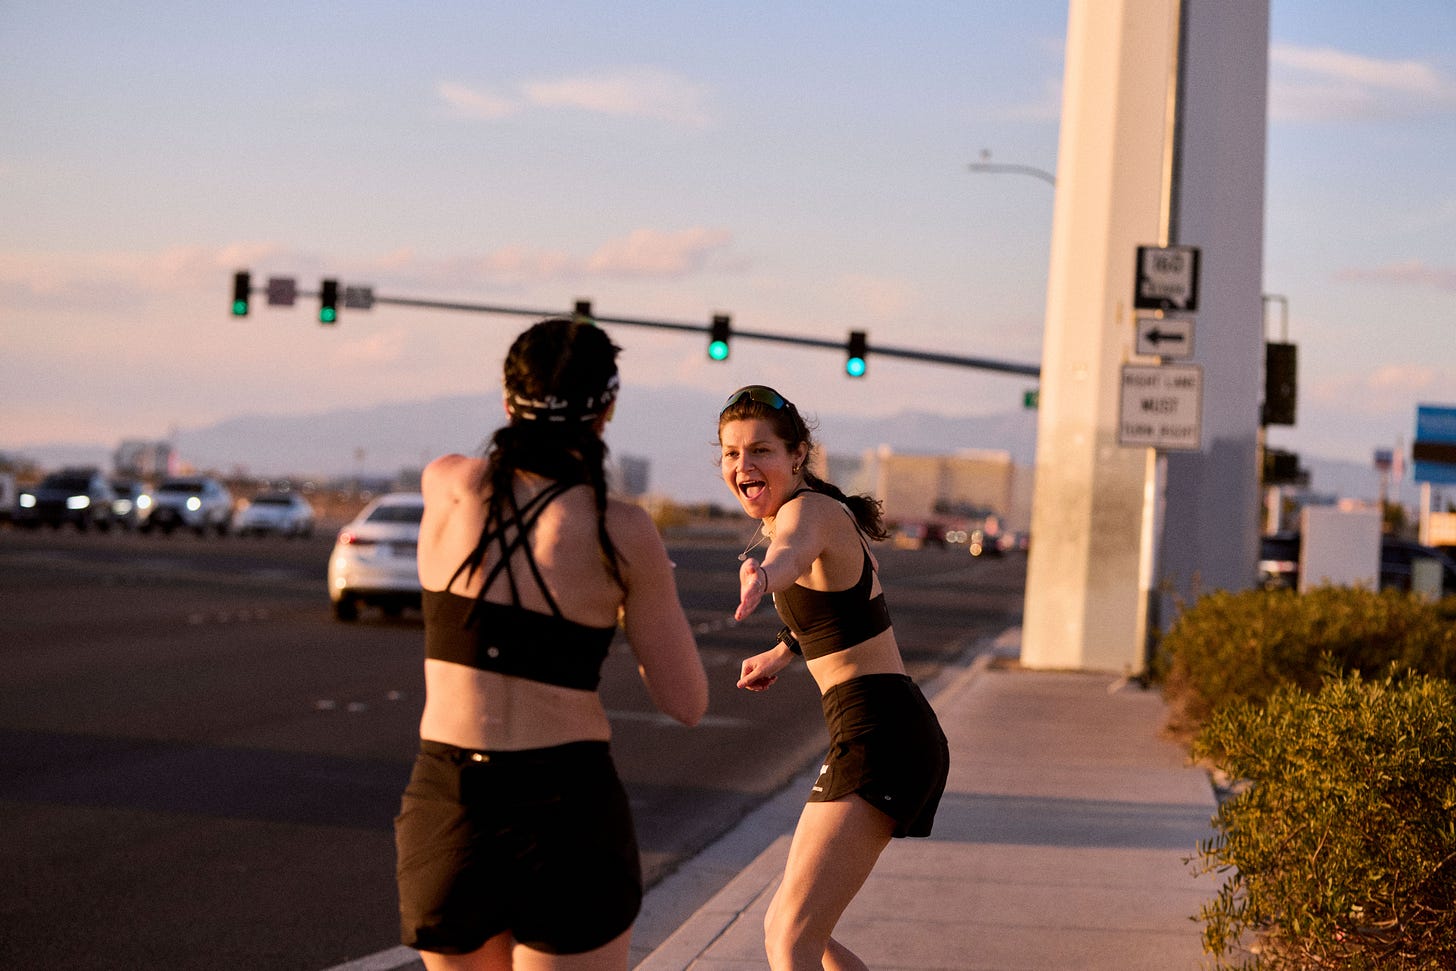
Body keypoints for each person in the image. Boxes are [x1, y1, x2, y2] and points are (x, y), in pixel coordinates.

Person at [395, 318, 710, 971]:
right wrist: (645, 587)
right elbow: (686, 700)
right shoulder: (620, 530)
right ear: (608, 410)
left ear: (508, 402)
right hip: (567, 807)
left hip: (452, 803)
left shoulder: (446, 486)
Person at [717, 384, 950, 971]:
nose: (744, 465)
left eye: (760, 451)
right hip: (885, 725)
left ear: (797, 455)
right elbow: (846, 605)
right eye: (731, 453)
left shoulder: (803, 515)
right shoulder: (819, 509)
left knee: (789, 939)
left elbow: (791, 556)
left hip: (880, 734)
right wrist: (783, 648)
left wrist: (765, 577)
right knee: (797, 932)